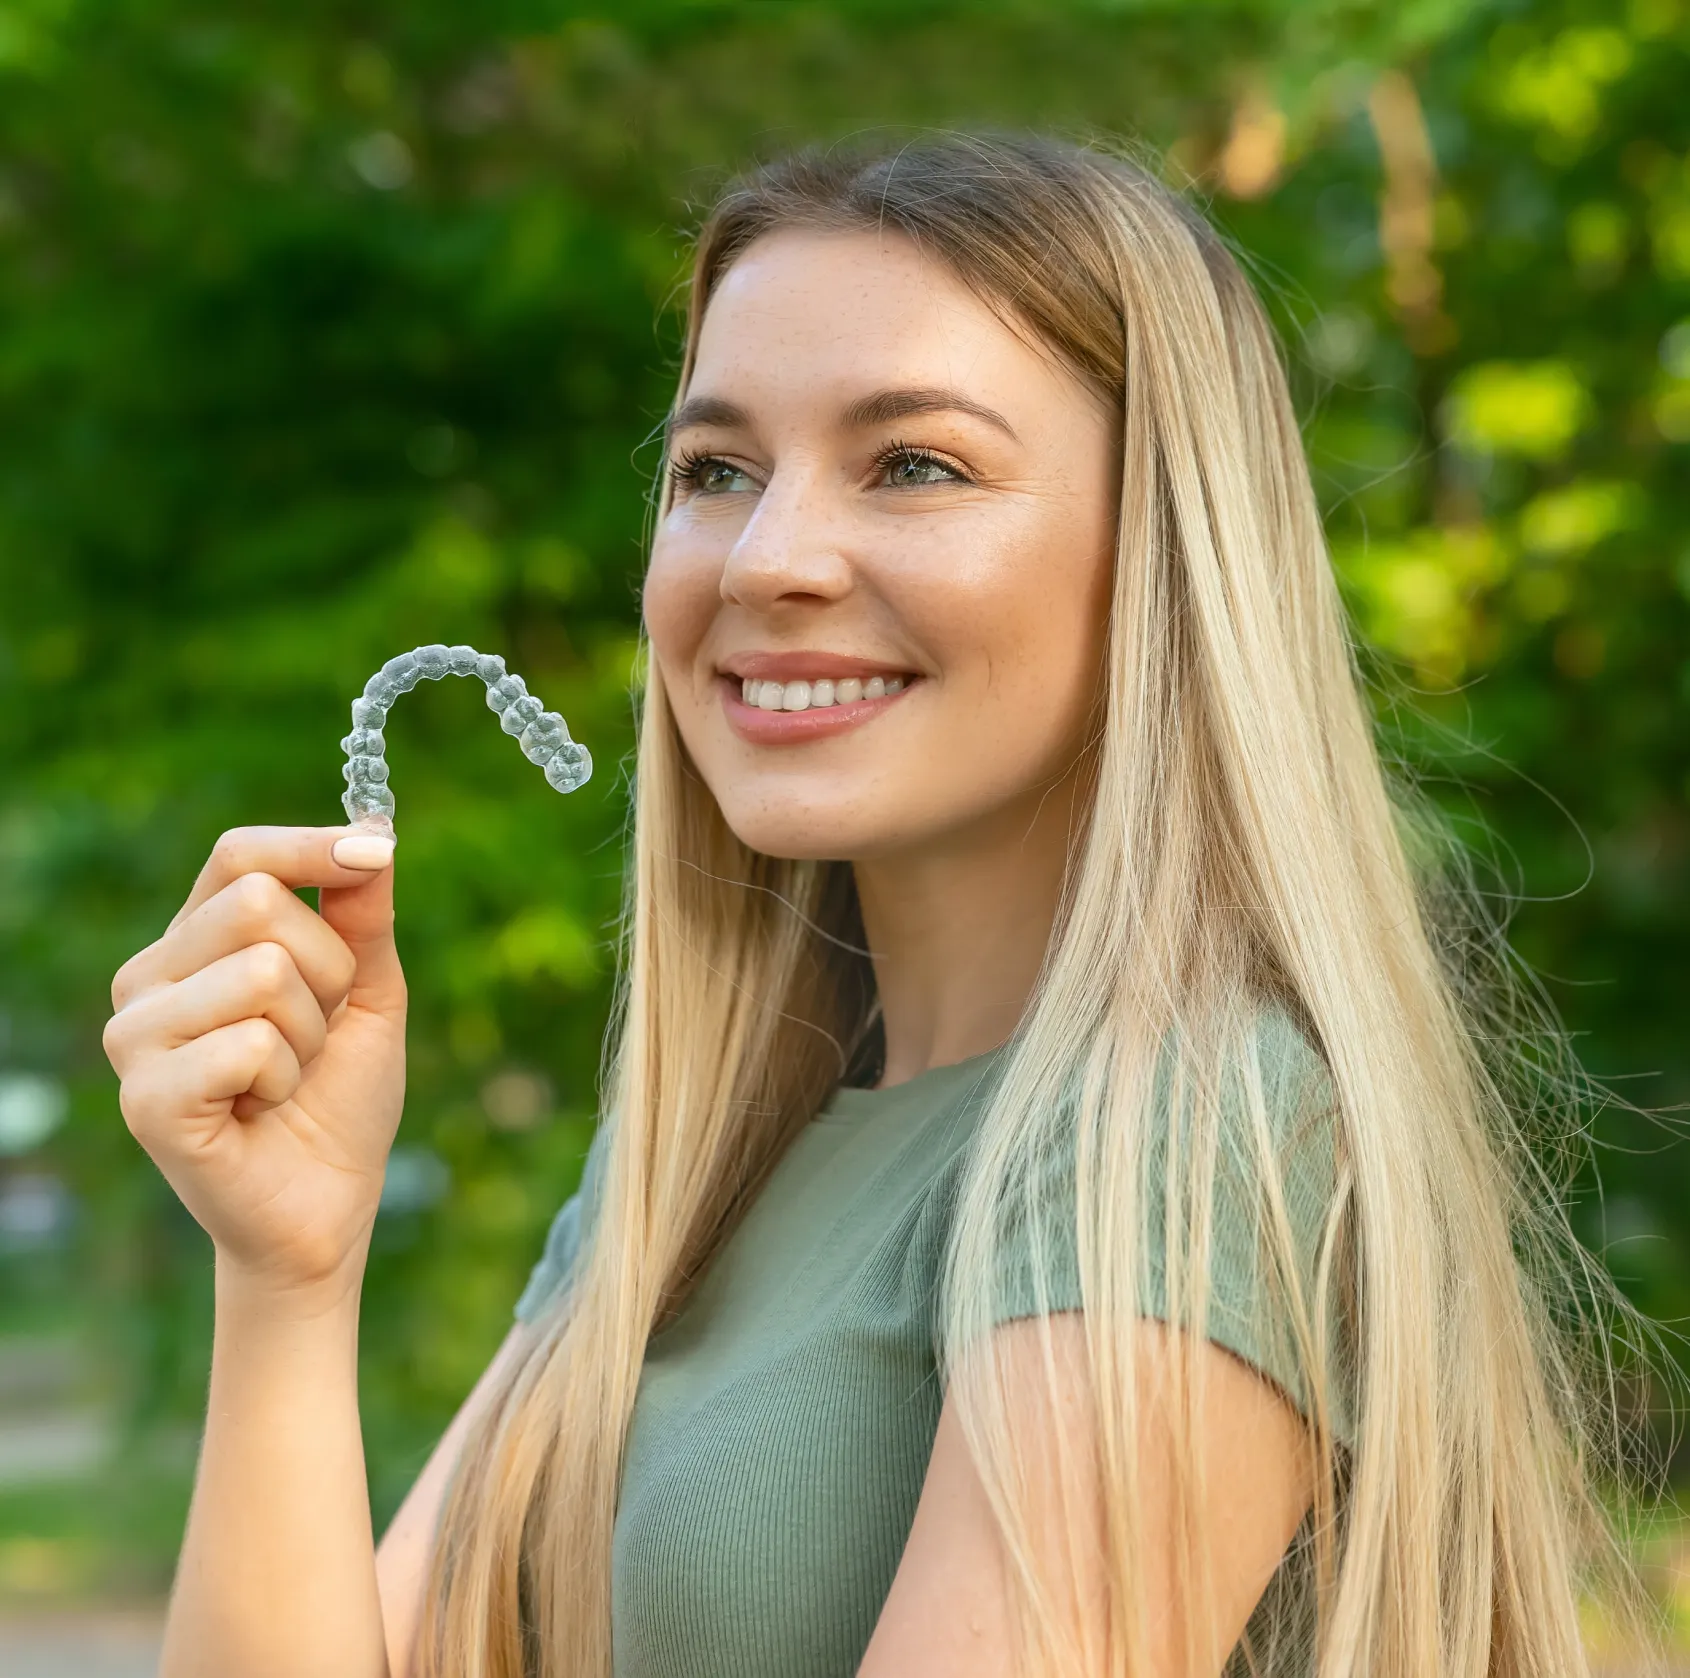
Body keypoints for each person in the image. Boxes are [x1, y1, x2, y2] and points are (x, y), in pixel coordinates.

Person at [101, 133, 1650, 1678]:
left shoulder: (1178, 1133)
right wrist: (291, 1274)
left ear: (1161, 556)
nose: (769, 557)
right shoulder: (690, 1171)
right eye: (716, 470)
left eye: (913, 463)